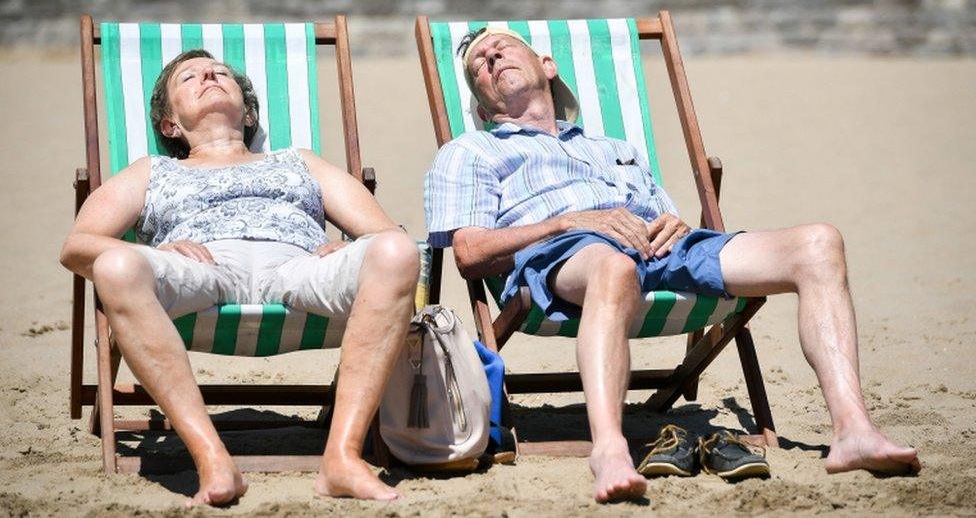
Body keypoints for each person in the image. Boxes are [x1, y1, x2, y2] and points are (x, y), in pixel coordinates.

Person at [424, 28, 921, 503]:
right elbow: (469, 253)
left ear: (547, 66)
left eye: (503, 48)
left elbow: (663, 216)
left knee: (818, 244)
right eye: (478, 66)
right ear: (484, 102)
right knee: (613, 267)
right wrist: (567, 223)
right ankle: (611, 449)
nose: (490, 59)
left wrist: (675, 224)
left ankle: (854, 431)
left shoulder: (614, 149)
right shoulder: (469, 151)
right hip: (565, 255)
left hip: (657, 248)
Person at [60, 50, 416, 505]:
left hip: (298, 264)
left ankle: (342, 459)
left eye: (220, 73)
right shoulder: (155, 171)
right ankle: (212, 460)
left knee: (396, 251)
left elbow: (385, 233)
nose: (208, 74)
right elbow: (79, 246)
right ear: (170, 124)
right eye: (189, 77)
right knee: (114, 265)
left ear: (248, 112)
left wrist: (351, 245)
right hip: (201, 267)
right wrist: (148, 251)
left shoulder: (298, 161)